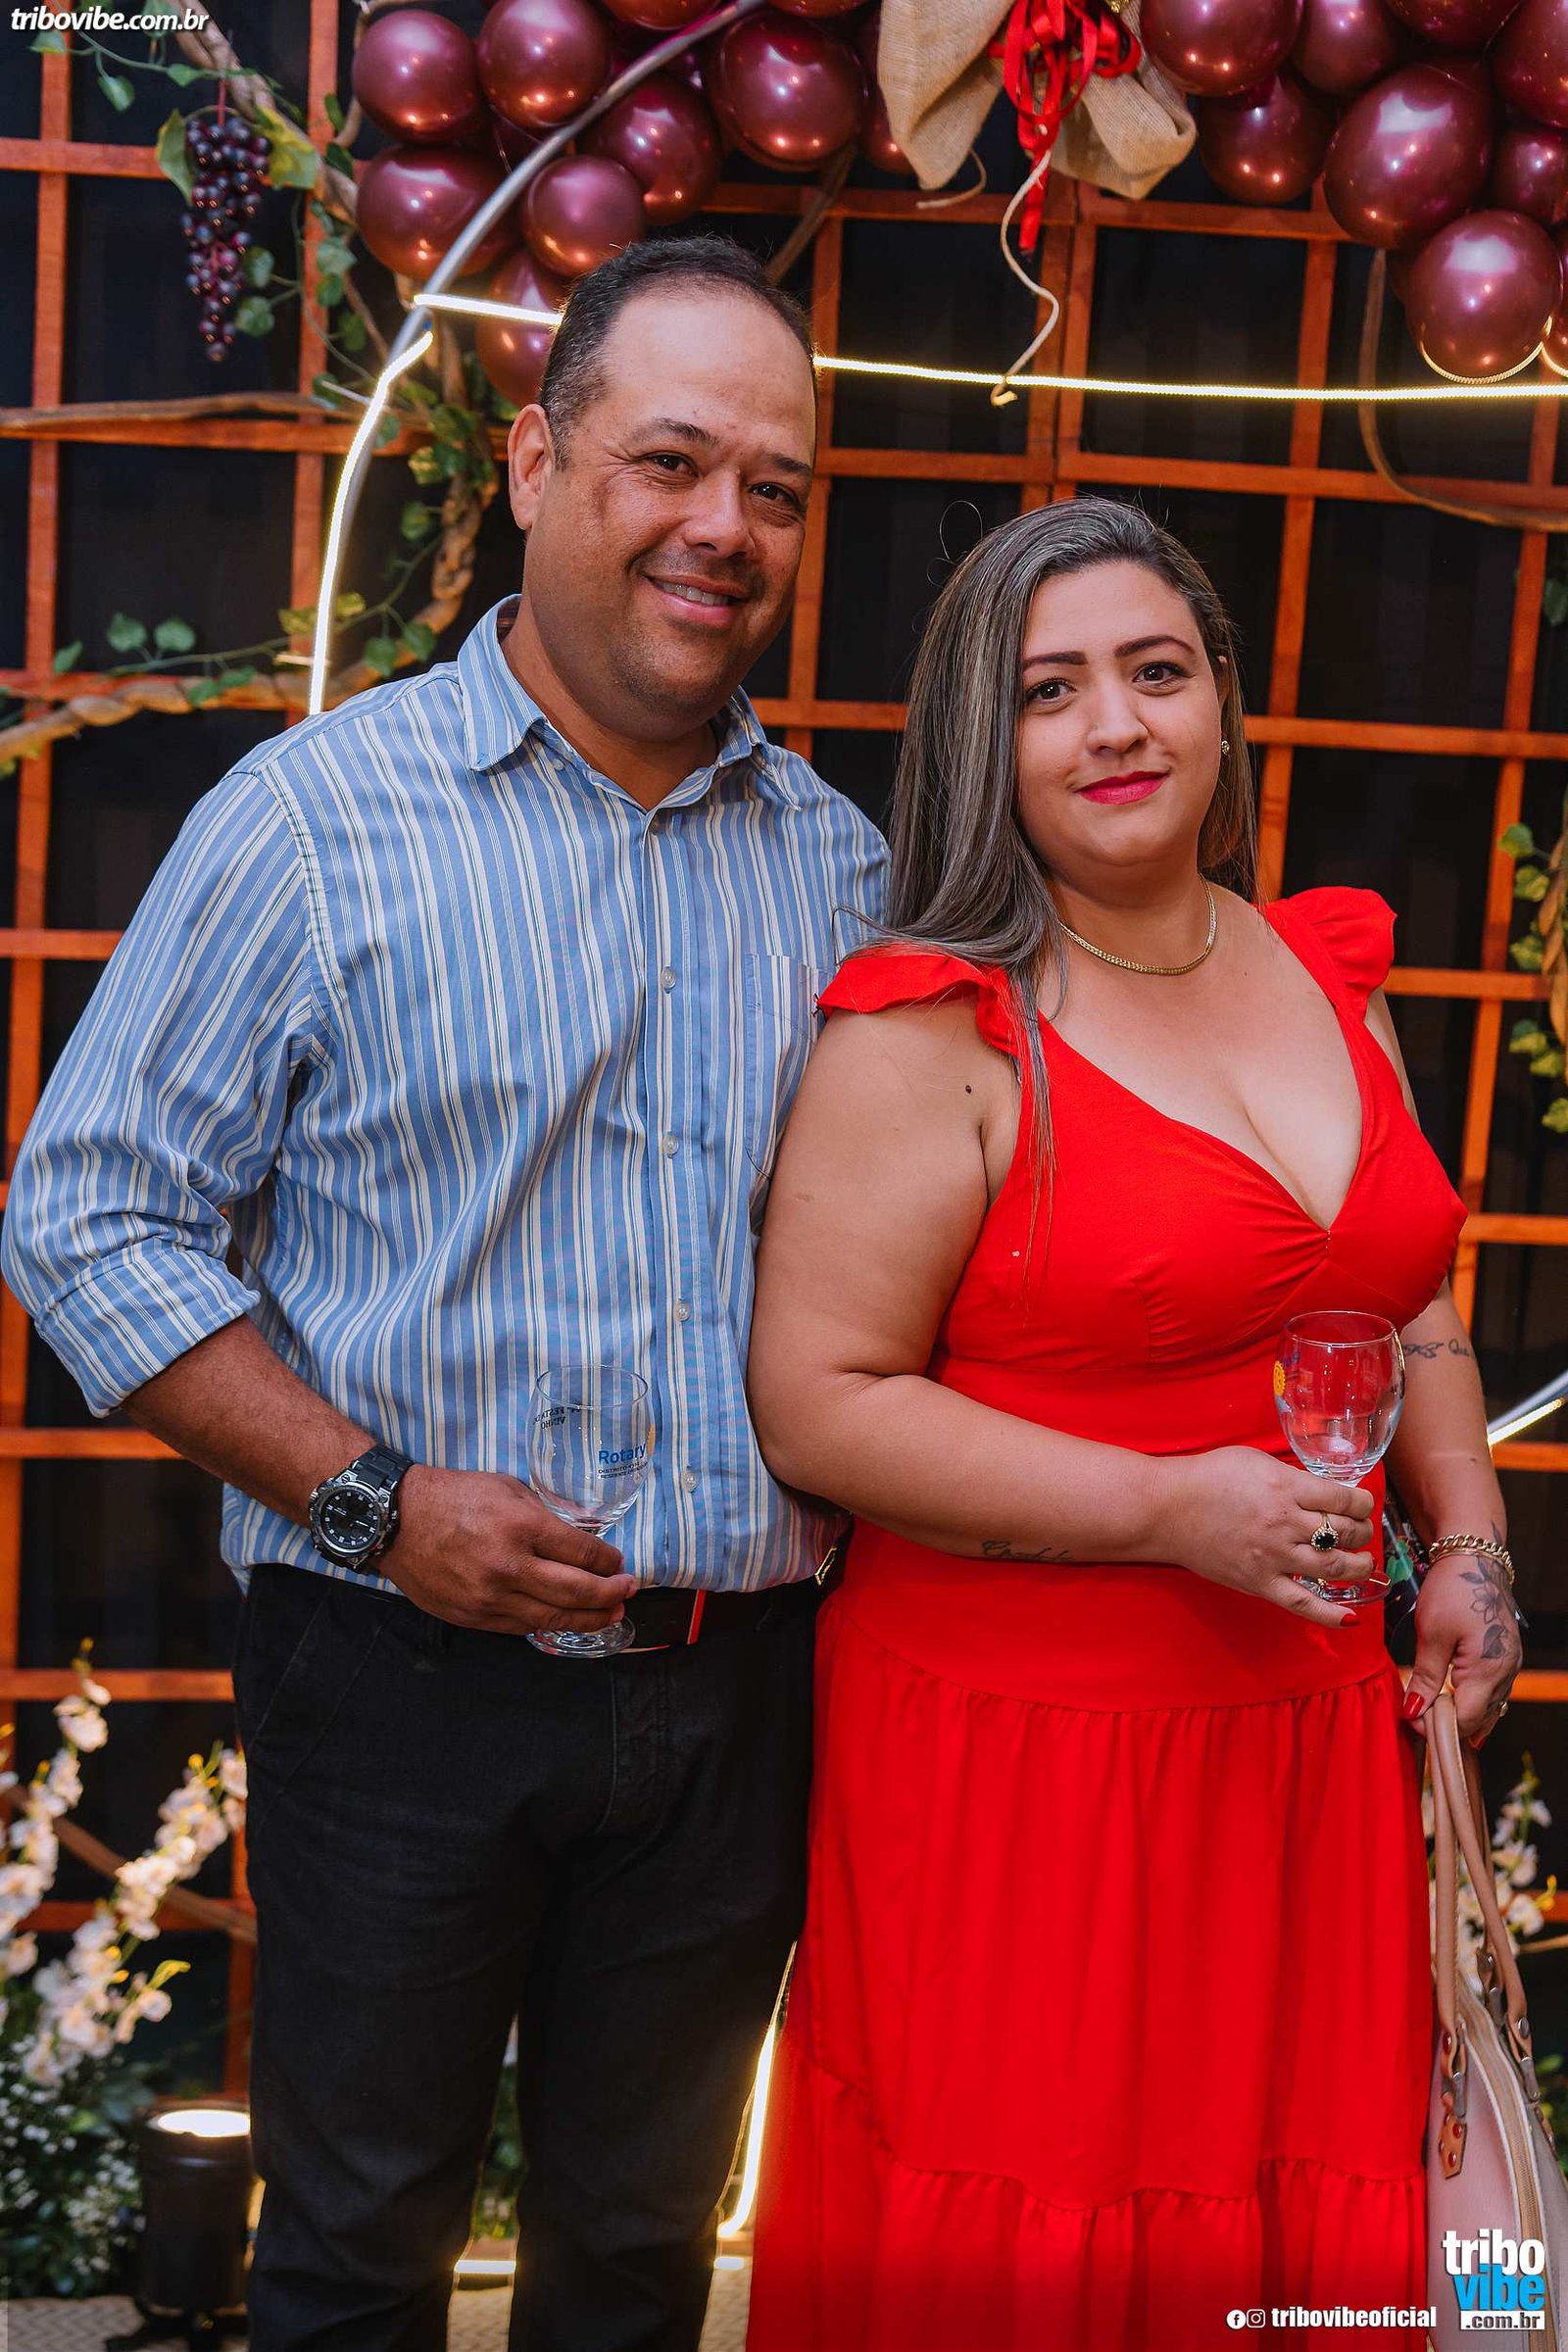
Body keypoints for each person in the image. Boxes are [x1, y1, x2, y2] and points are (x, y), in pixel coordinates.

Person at [1, 234, 886, 2352]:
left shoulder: (845, 871)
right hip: (393, 1675)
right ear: (533, 461)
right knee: (354, 2260)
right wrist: (372, 1499)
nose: (724, 526)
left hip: (739, 1687)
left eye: (773, 486)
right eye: (670, 460)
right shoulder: (314, 824)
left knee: (641, 2267)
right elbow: (86, 1214)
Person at [741, 496, 1522, 2352]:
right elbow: (818, 1404)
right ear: (982, 739)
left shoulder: (1325, 973)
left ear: (1223, 700)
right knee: (1040, 2242)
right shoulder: (932, 1030)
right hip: (1030, 1769)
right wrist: (1173, 1510)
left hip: (1306, 1740)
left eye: (1157, 671)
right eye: (1051, 690)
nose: (1116, 725)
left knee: (1284, 2210)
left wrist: (1473, 1544)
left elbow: (1410, 1307)